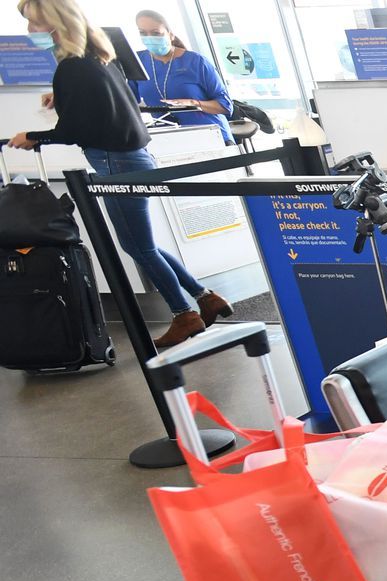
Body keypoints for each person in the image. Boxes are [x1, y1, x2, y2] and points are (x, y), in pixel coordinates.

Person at [9, 0, 228, 348]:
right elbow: (101, 104)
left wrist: (33, 137)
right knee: (144, 245)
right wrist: (61, 97)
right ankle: (204, 297)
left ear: (55, 24)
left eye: (35, 24)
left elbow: (74, 129)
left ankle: (184, 314)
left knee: (137, 247)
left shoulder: (71, 68)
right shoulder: (98, 58)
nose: (31, 32)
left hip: (115, 163)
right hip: (132, 158)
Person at [132, 9, 232, 144]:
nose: (149, 38)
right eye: (143, 33)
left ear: (170, 35)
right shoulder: (137, 62)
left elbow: (225, 106)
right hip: (169, 139)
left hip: (211, 135)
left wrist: (193, 103)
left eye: (156, 33)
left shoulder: (196, 61)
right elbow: (128, 101)